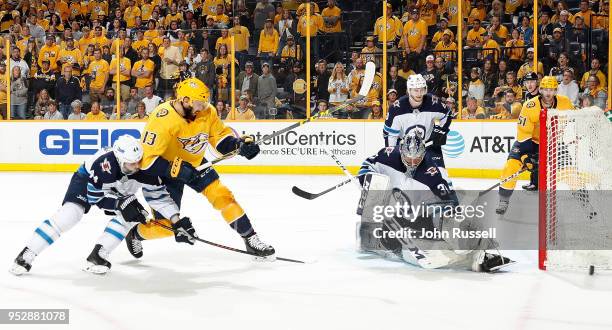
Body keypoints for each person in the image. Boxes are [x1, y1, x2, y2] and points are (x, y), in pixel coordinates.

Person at [125, 77, 275, 260]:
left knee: (223, 196)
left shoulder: (207, 112)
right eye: (199, 103)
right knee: (167, 226)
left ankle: (250, 238)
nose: (203, 107)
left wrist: (238, 145)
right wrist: (176, 170)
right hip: (164, 174)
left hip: (196, 164)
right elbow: (146, 161)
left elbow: (220, 138)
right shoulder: (161, 118)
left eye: (205, 103)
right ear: (185, 100)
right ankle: (135, 234)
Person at [9, 135, 189, 275]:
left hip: (119, 186)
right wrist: (119, 203)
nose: (137, 165)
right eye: (131, 163)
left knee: (129, 217)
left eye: (138, 161)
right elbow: (95, 197)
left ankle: (98, 255)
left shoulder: (145, 167)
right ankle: (26, 254)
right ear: (119, 159)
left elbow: (159, 198)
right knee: (70, 215)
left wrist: (176, 220)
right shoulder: (104, 165)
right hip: (87, 181)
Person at [356, 133, 514, 272]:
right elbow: (367, 166)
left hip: (420, 215)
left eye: (416, 158)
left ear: (423, 154)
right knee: (384, 234)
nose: (412, 163)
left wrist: (455, 219)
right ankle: (371, 234)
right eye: (408, 158)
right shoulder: (388, 155)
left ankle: (476, 244)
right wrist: (366, 177)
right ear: (401, 150)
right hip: (392, 214)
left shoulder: (431, 173)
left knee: (446, 224)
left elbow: (449, 201)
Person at [496, 76, 574, 214]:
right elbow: (523, 132)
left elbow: (575, 119)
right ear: (541, 90)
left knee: (569, 170)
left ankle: (584, 199)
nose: (548, 93)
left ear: (556, 91)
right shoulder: (530, 106)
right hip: (531, 142)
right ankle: (504, 199)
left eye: (552, 90)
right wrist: (526, 156)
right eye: (546, 89)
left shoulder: (565, 103)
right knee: (511, 165)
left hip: (553, 142)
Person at [384, 74, 455, 202]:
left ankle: (451, 206)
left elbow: (447, 115)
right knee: (403, 180)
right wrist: (392, 155)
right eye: (416, 90)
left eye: (422, 89)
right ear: (409, 90)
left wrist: (441, 131)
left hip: (428, 145)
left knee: (442, 175)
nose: (419, 93)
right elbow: (390, 134)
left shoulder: (434, 102)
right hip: (405, 148)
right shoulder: (396, 108)